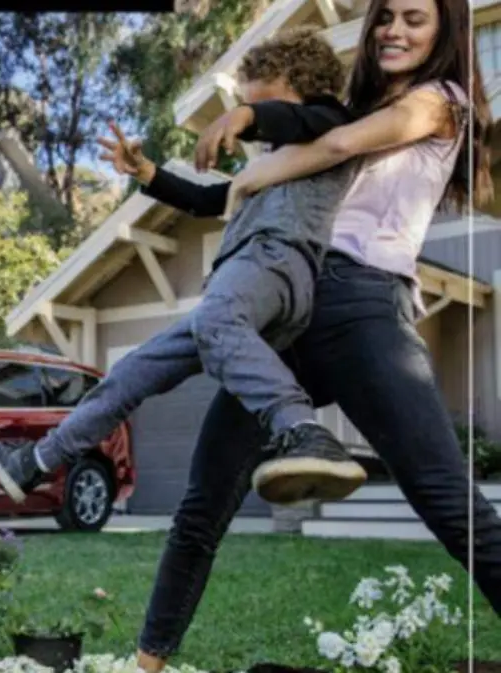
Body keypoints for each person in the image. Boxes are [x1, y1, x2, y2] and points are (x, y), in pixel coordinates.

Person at [133, 0, 501, 670]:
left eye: (414, 18)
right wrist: (174, 175)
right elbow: (301, 144)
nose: (393, 29)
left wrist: (249, 158)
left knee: (453, 507)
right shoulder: (354, 106)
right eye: (385, 16)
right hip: (292, 305)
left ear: (446, 29)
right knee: (203, 503)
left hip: (363, 305)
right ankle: (147, 661)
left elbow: (331, 146)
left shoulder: (439, 101)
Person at [0, 27, 369, 507]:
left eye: (263, 103)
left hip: (277, 262)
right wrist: (147, 174)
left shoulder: (329, 120)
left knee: (216, 319)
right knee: (130, 371)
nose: (258, 130)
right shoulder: (272, 165)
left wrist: (245, 115)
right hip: (244, 282)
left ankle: (304, 430)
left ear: (298, 83)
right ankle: (37, 462)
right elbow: (210, 198)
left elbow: (296, 120)